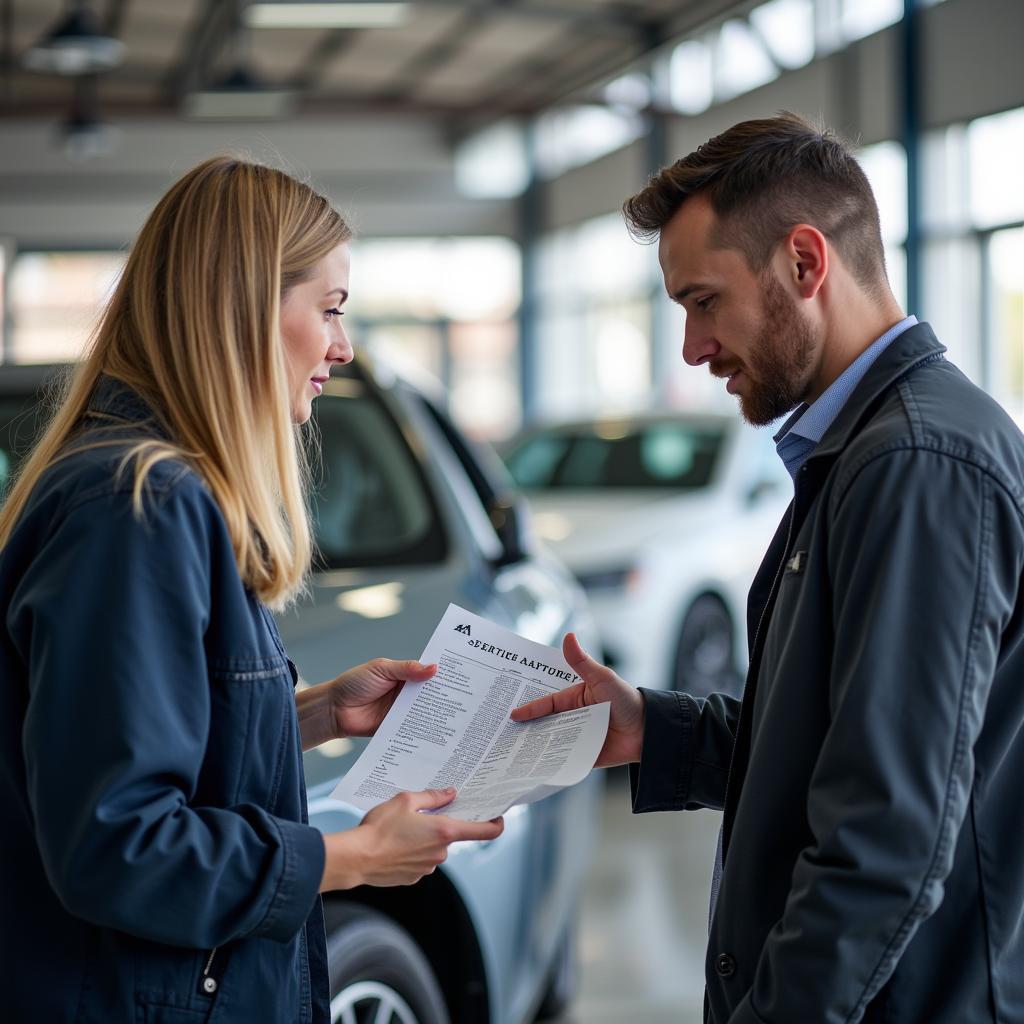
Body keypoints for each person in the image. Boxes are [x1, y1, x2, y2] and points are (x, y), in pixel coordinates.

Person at [513, 112, 1024, 1023]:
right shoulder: (860, 451)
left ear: (804, 262)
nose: (691, 349)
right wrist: (653, 729)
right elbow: (840, 739)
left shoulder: (914, 463)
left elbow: (884, 835)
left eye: (703, 301)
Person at [0, 156, 503, 1023]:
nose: (342, 347)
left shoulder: (155, 492)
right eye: (331, 310)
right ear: (242, 308)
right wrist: (349, 857)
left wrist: (309, 715)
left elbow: (147, 746)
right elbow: (120, 844)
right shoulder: (137, 507)